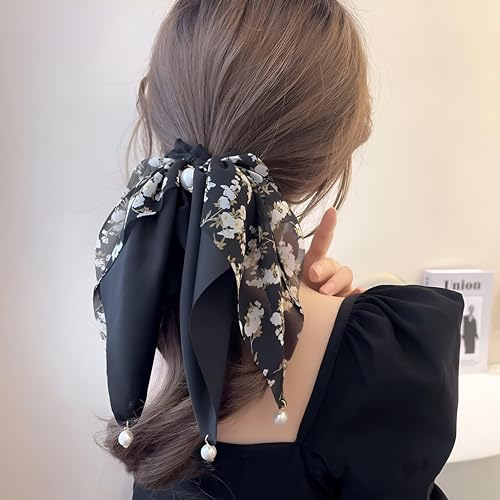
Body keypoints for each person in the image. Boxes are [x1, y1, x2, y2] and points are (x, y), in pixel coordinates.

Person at [92, 1, 465, 498]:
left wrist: (286, 300)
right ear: (333, 153)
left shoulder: (145, 318)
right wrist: (342, 334)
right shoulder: (390, 359)